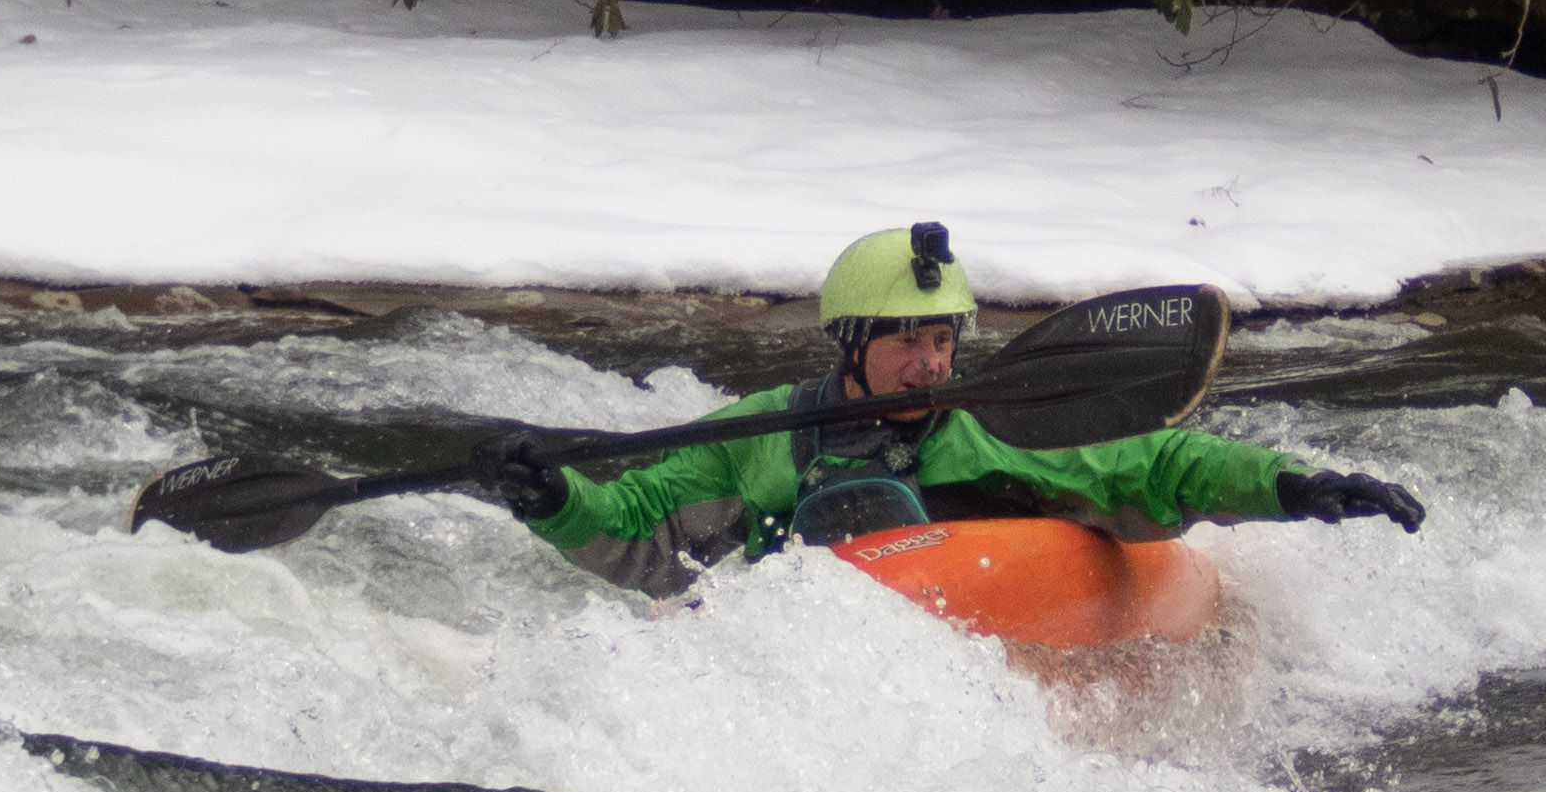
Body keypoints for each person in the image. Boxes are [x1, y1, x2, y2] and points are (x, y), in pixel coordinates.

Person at [468, 221, 1426, 599]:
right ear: (850, 344)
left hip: (996, 602)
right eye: (906, 342)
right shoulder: (762, 438)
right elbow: (638, 529)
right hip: (840, 628)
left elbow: (1167, 463)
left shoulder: (1004, 426)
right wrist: (554, 499)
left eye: (942, 340)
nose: (930, 362)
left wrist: (1297, 488)